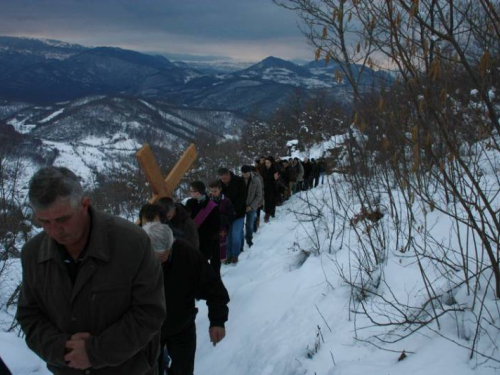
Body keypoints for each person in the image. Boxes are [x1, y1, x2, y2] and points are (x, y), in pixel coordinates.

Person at [16, 166, 166, 374]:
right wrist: (62, 348)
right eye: (44, 222)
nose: (54, 230)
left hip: (129, 370)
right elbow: (29, 315)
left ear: (84, 205)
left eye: (62, 219)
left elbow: (150, 312)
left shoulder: (132, 243)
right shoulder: (33, 254)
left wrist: (95, 351)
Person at [142, 223, 229, 375]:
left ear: (172, 243)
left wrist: (217, 321)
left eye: (164, 256)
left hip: (181, 325)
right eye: (155, 257)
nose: (160, 261)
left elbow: (214, 288)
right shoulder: (136, 258)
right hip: (148, 330)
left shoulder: (187, 254)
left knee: (183, 371)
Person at [185, 181, 221, 274]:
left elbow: (215, 227)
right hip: (194, 240)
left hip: (209, 241)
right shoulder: (189, 203)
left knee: (211, 268)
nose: (189, 192)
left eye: (191, 191)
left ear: (197, 193)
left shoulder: (212, 206)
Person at [218, 168, 247, 264]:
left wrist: (234, 209)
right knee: (227, 235)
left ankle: (235, 254)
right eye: (221, 179)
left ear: (229, 175)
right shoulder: (219, 184)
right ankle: (228, 254)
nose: (223, 180)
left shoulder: (239, 181)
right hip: (226, 215)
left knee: (235, 234)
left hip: (238, 212)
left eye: (225, 178)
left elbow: (243, 197)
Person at [208, 180, 235, 262]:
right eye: (211, 191)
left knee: (223, 243)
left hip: (223, 226)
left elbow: (231, 216)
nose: (213, 193)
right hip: (211, 227)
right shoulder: (208, 201)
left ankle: (224, 258)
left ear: (220, 189)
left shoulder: (226, 201)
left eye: (215, 191)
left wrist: (220, 217)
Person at [241, 165, 263, 248]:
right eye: (243, 173)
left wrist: (252, 206)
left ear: (250, 172)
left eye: (246, 173)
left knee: (249, 224)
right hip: (241, 206)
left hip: (252, 206)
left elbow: (259, 195)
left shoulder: (256, 180)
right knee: (240, 225)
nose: (244, 175)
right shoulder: (240, 180)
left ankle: (249, 240)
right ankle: (240, 243)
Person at [262, 157, 278, 223]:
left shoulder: (275, 170)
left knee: (271, 201)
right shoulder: (263, 169)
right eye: (266, 163)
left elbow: (276, 180)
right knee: (266, 201)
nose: (267, 164)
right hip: (265, 187)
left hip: (272, 188)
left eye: (268, 163)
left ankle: (270, 213)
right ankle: (267, 213)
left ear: (271, 163)